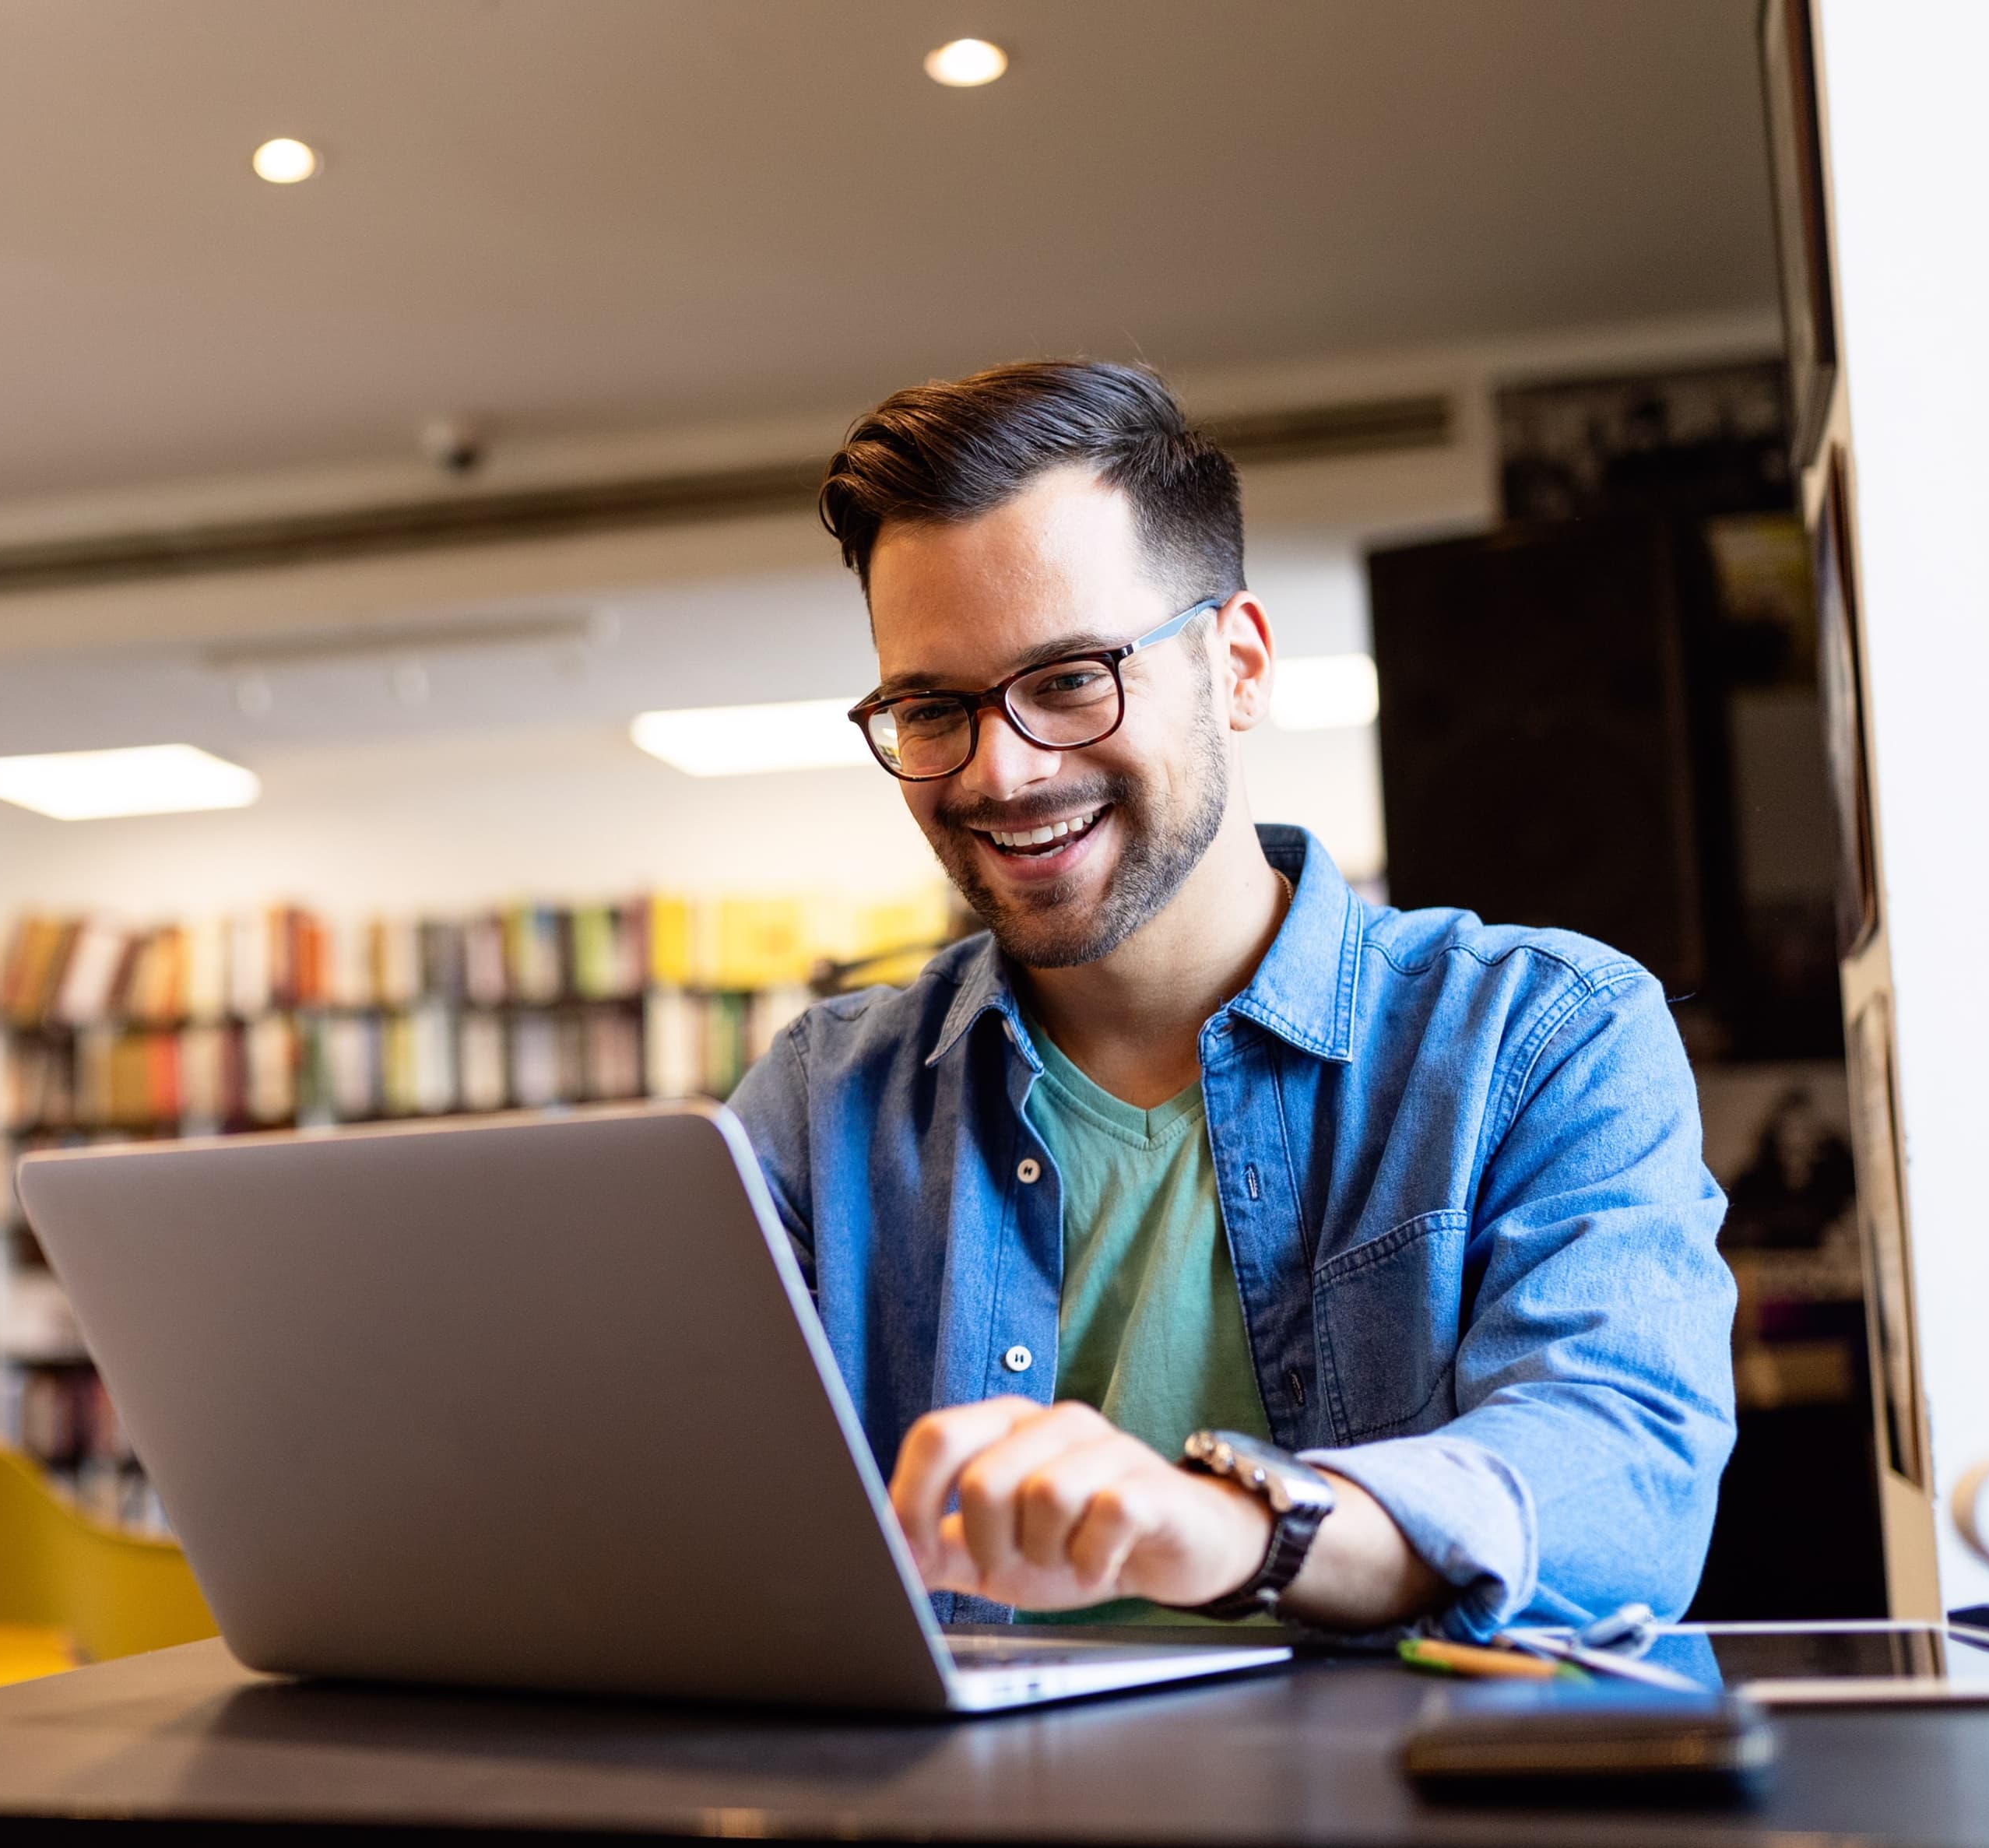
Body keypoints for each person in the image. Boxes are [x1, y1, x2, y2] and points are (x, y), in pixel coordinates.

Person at [728, 360, 1735, 1636]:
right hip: (950, 1826)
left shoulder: (1542, 1034)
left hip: (1380, 1822)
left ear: (1239, 666)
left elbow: (1620, 1477)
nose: (1005, 768)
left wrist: (1241, 1525)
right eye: (934, 707)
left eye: (1072, 677)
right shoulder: (821, 1100)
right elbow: (666, 1479)